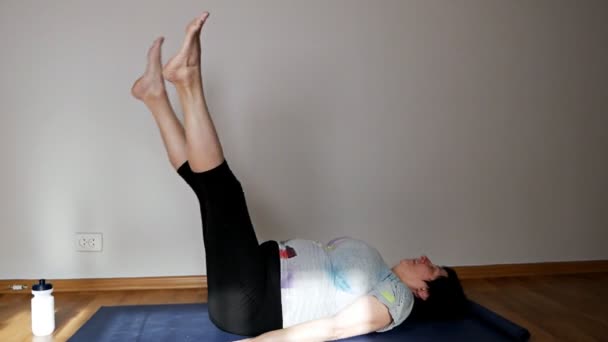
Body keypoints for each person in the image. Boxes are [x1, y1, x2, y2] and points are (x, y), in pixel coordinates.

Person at [131, 12, 468, 341]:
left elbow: (335, 328)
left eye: (434, 268)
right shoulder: (381, 272)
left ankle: (188, 81)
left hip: (252, 301)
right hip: (250, 284)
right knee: (208, 188)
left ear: (424, 292)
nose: (425, 259)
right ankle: (156, 97)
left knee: (224, 191)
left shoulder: (398, 299)